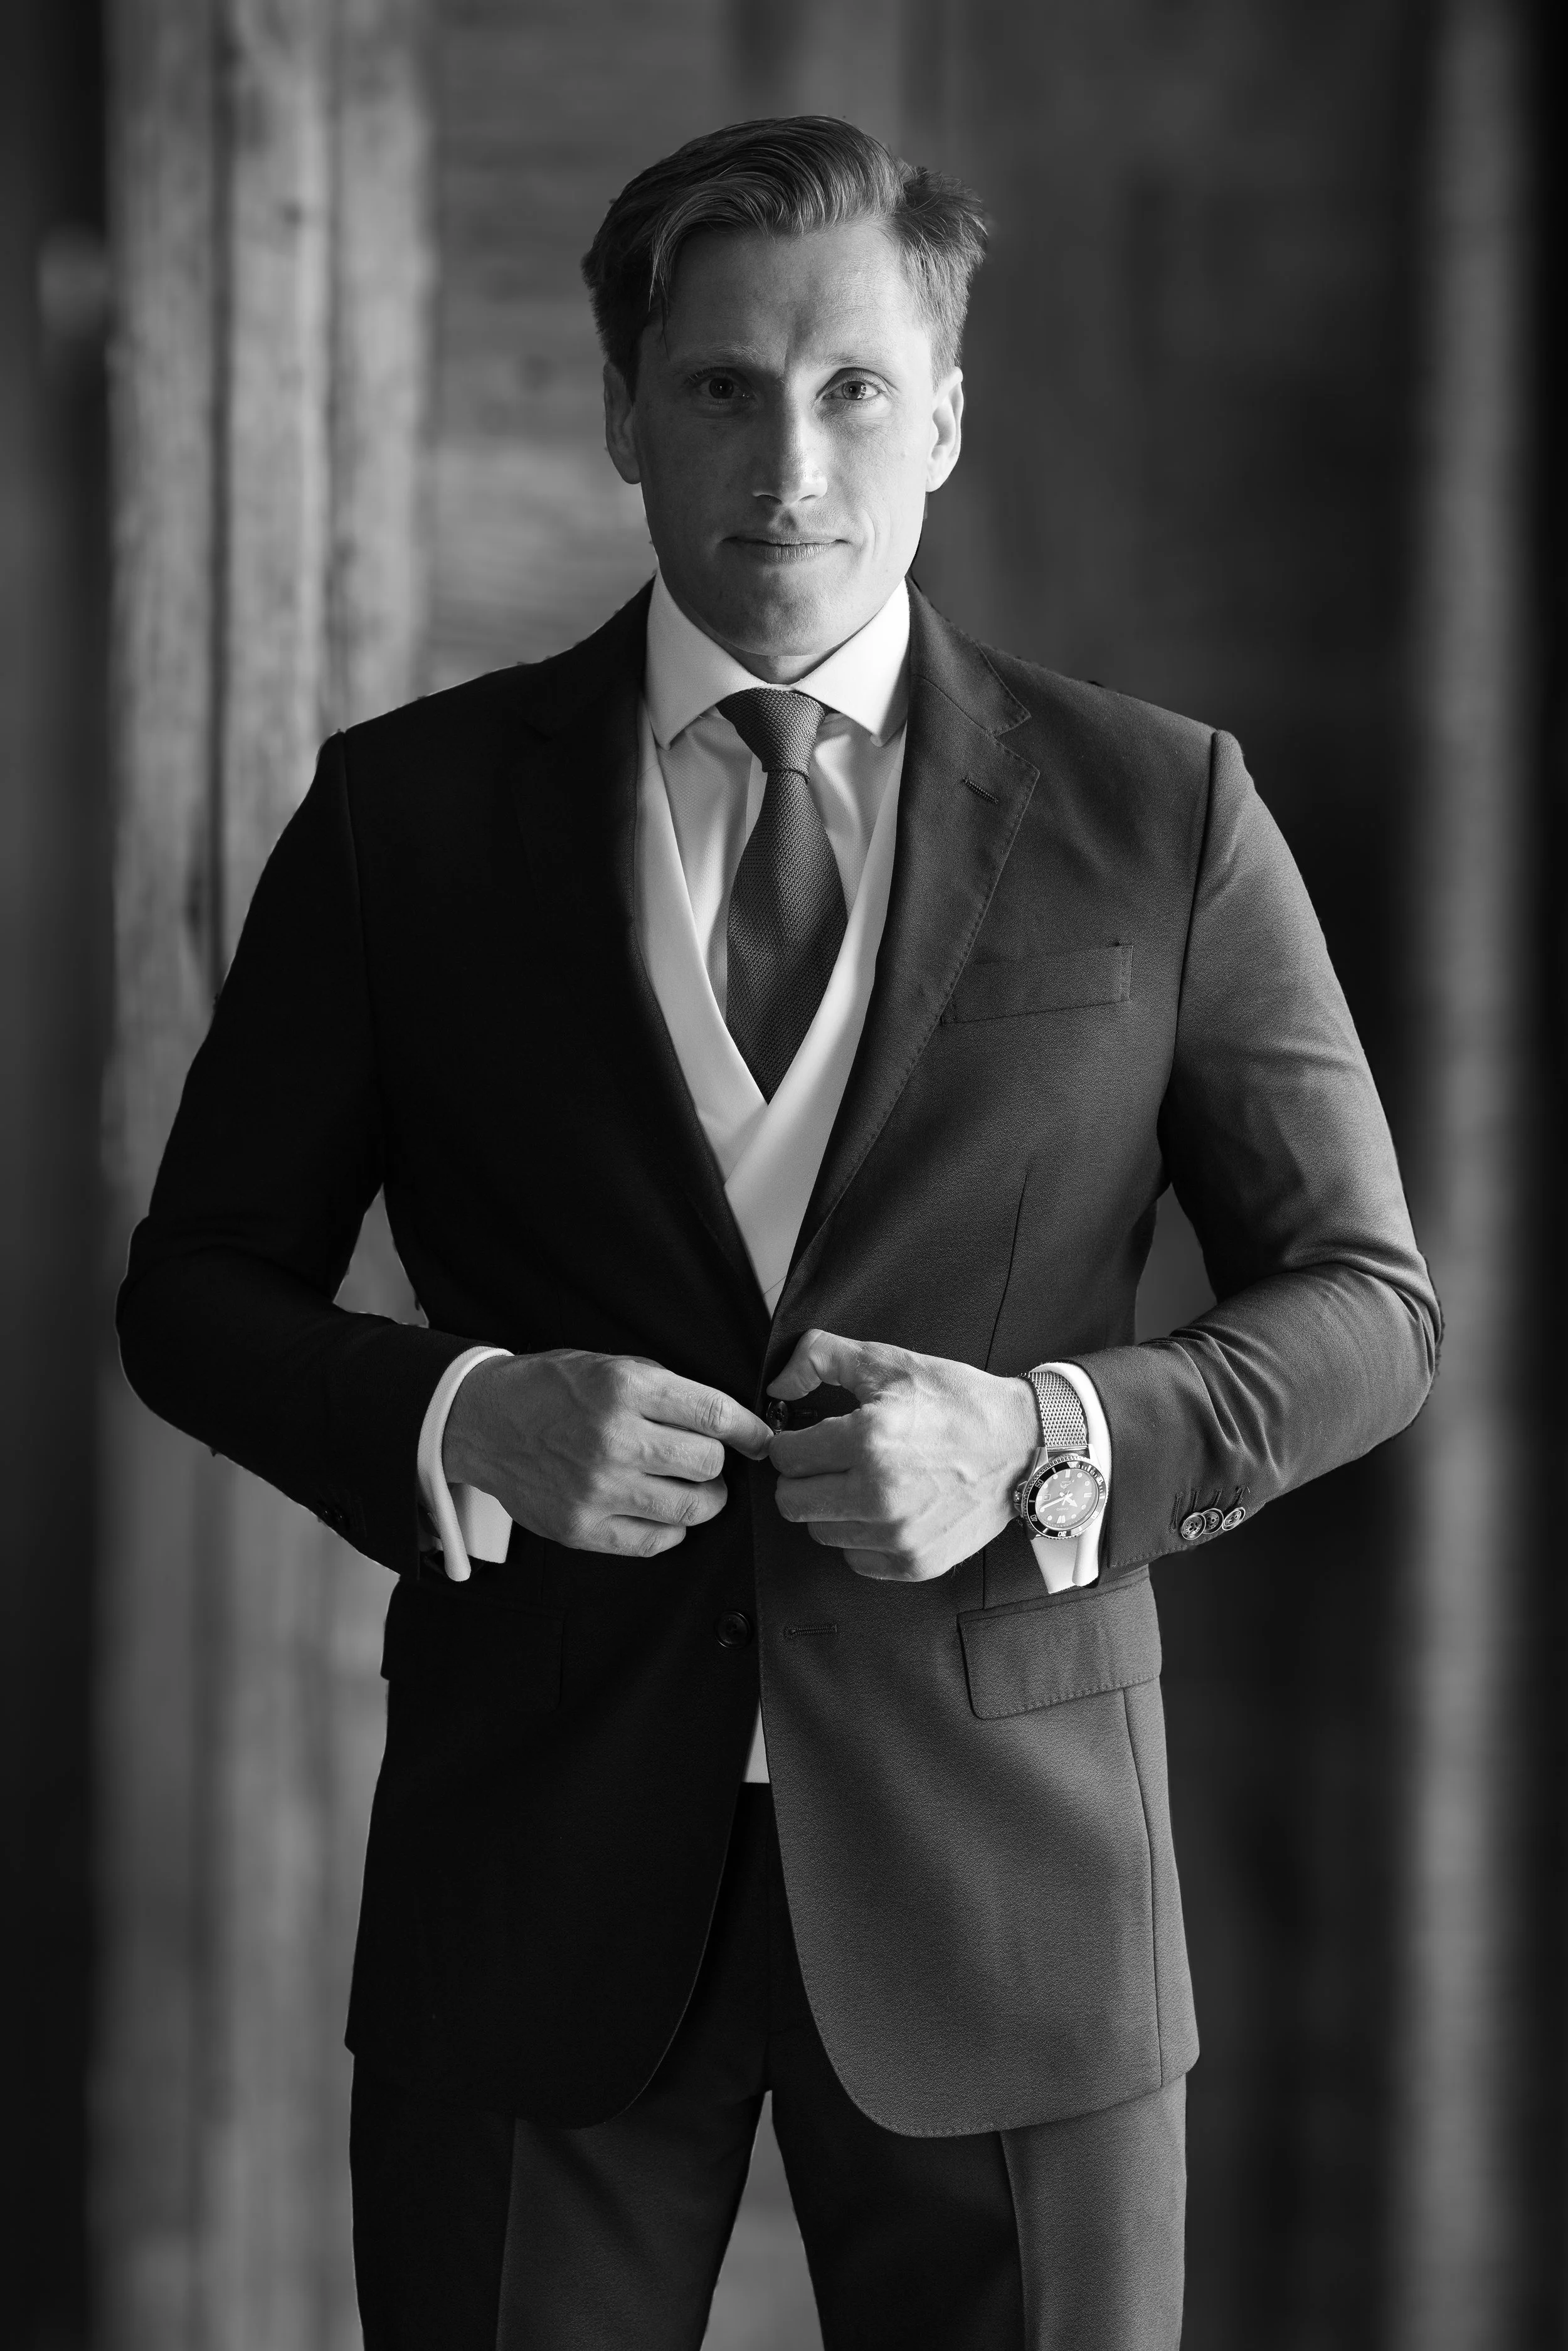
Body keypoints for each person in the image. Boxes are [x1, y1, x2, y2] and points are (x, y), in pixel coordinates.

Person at [117, 115, 1439, 2351]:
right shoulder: (405, 819)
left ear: (943, 410)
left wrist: (1038, 1444)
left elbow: (1369, 1311)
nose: (788, 456)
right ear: (629, 412)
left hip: (1014, 1895)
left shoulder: (1160, 813)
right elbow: (192, 1294)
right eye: (722, 385)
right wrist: (463, 1411)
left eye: (848, 389)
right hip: (529, 1873)